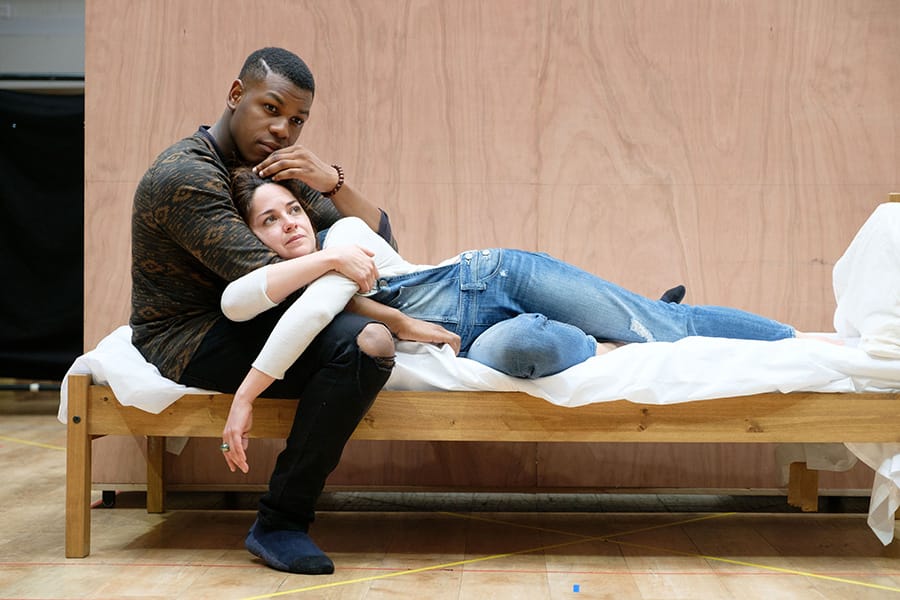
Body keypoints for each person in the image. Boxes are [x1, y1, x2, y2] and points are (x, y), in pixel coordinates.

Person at [218, 168, 813, 455]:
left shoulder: (344, 238)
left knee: (663, 329)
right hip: (477, 339)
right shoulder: (302, 283)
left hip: (498, 276)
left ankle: (800, 338)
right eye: (269, 220)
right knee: (529, 348)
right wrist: (400, 323)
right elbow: (236, 303)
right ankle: (599, 339)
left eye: (293, 209)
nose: (289, 223)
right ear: (252, 239)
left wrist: (244, 398)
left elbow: (310, 314)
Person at [129, 47, 435, 576]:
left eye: (296, 120)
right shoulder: (185, 175)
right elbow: (274, 282)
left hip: (252, 312)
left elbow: (381, 242)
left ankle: (280, 519)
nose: (282, 130)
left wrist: (331, 181)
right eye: (271, 109)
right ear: (235, 95)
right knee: (367, 343)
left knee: (369, 335)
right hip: (190, 335)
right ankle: (280, 523)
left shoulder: (269, 168)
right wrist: (397, 321)